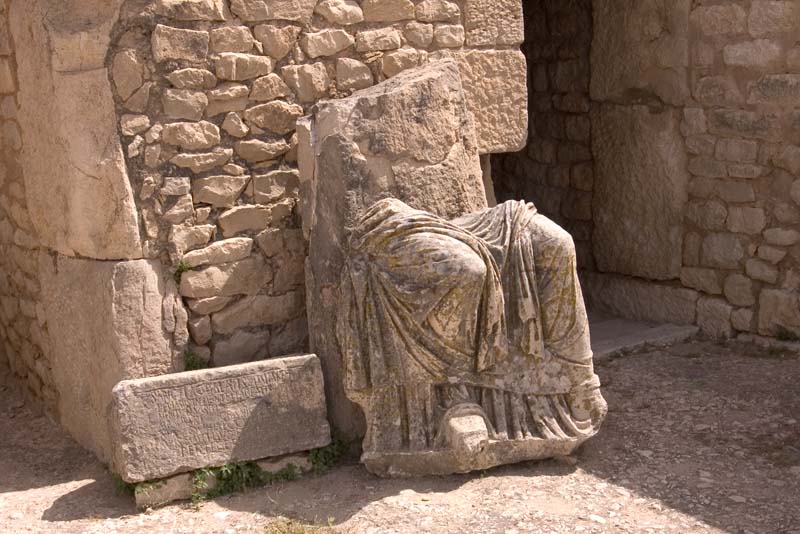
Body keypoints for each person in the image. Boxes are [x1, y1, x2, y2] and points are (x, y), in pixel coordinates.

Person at [338, 197, 607, 456]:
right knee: (470, 272)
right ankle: (456, 398)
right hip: (397, 225)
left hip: (477, 227)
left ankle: (580, 381)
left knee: (558, 243)